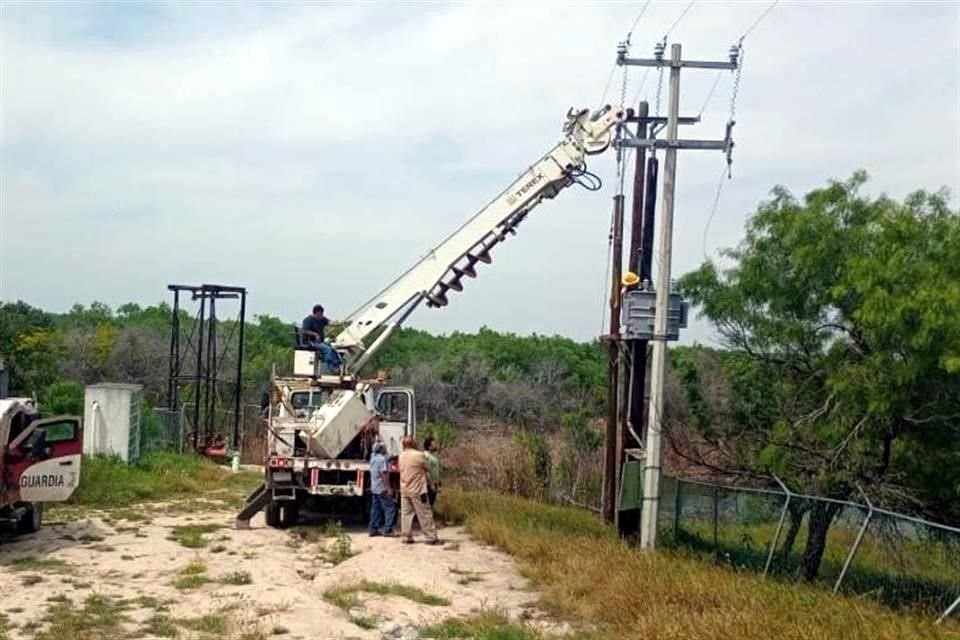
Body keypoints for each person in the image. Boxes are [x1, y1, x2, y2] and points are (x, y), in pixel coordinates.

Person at [397, 436, 439, 545]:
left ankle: (406, 537)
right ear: (412, 444)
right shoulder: (419, 455)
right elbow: (428, 469)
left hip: (405, 489)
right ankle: (430, 537)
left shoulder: (401, 456)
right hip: (418, 490)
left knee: (406, 515)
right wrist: (432, 483)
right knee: (425, 513)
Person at [368, 442, 397, 537]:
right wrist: (388, 488)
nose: (386, 449)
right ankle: (388, 530)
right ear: (381, 449)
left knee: (375, 508)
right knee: (390, 507)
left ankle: (373, 529)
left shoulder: (373, 457)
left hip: (374, 487)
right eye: (384, 447)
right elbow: (384, 474)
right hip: (381, 488)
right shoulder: (381, 460)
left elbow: (385, 458)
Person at [301, 304, 342, 371]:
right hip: (310, 342)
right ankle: (333, 368)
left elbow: (330, 322)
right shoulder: (308, 320)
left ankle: (338, 365)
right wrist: (315, 334)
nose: (322, 315)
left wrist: (337, 323)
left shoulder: (322, 319)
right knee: (327, 349)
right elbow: (304, 331)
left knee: (333, 349)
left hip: (320, 342)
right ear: (316, 313)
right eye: (321, 314)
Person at [423, 436, 440, 509]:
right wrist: (431, 483)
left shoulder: (432, 455)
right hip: (429, 484)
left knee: (431, 503)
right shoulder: (426, 456)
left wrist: (438, 480)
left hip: (434, 483)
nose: (436, 446)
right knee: (428, 504)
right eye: (434, 444)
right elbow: (426, 470)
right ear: (429, 447)